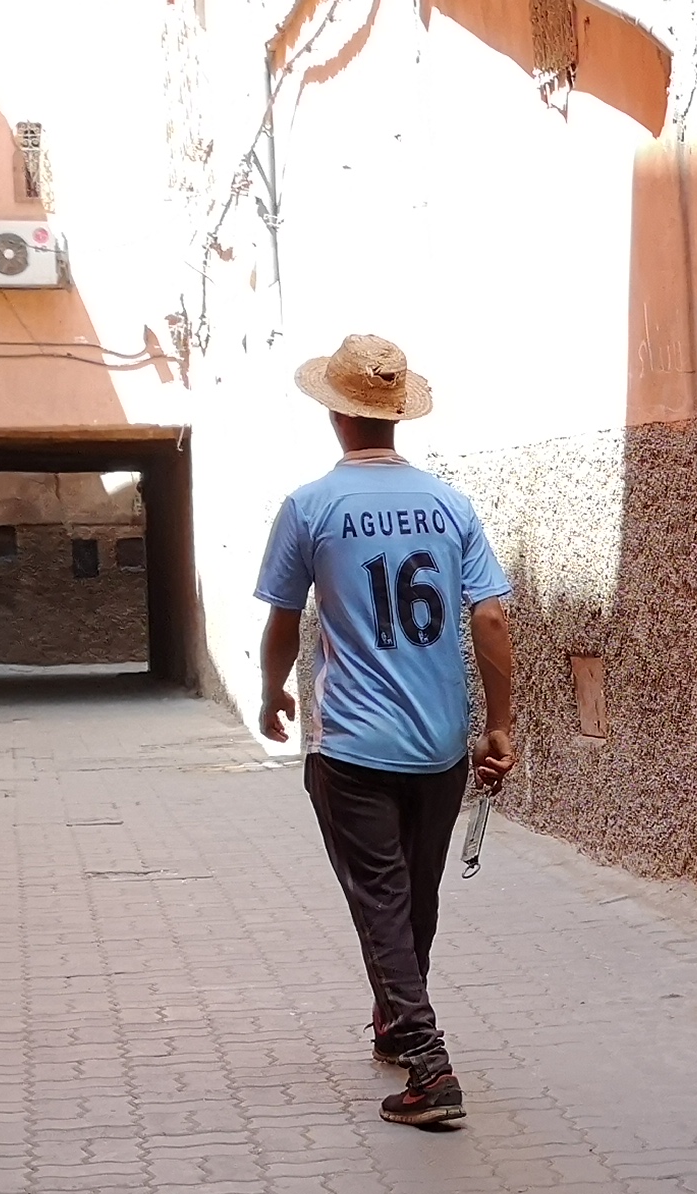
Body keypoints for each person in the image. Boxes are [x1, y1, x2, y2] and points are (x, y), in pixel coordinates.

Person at [253, 332, 518, 1127]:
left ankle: (429, 1068)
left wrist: (272, 693)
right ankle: (397, 1025)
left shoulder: (310, 506)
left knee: (380, 899)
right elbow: (492, 618)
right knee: (412, 895)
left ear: (336, 413)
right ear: (397, 414)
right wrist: (500, 725)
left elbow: (283, 618)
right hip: (439, 744)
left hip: (353, 746)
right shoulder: (451, 505)